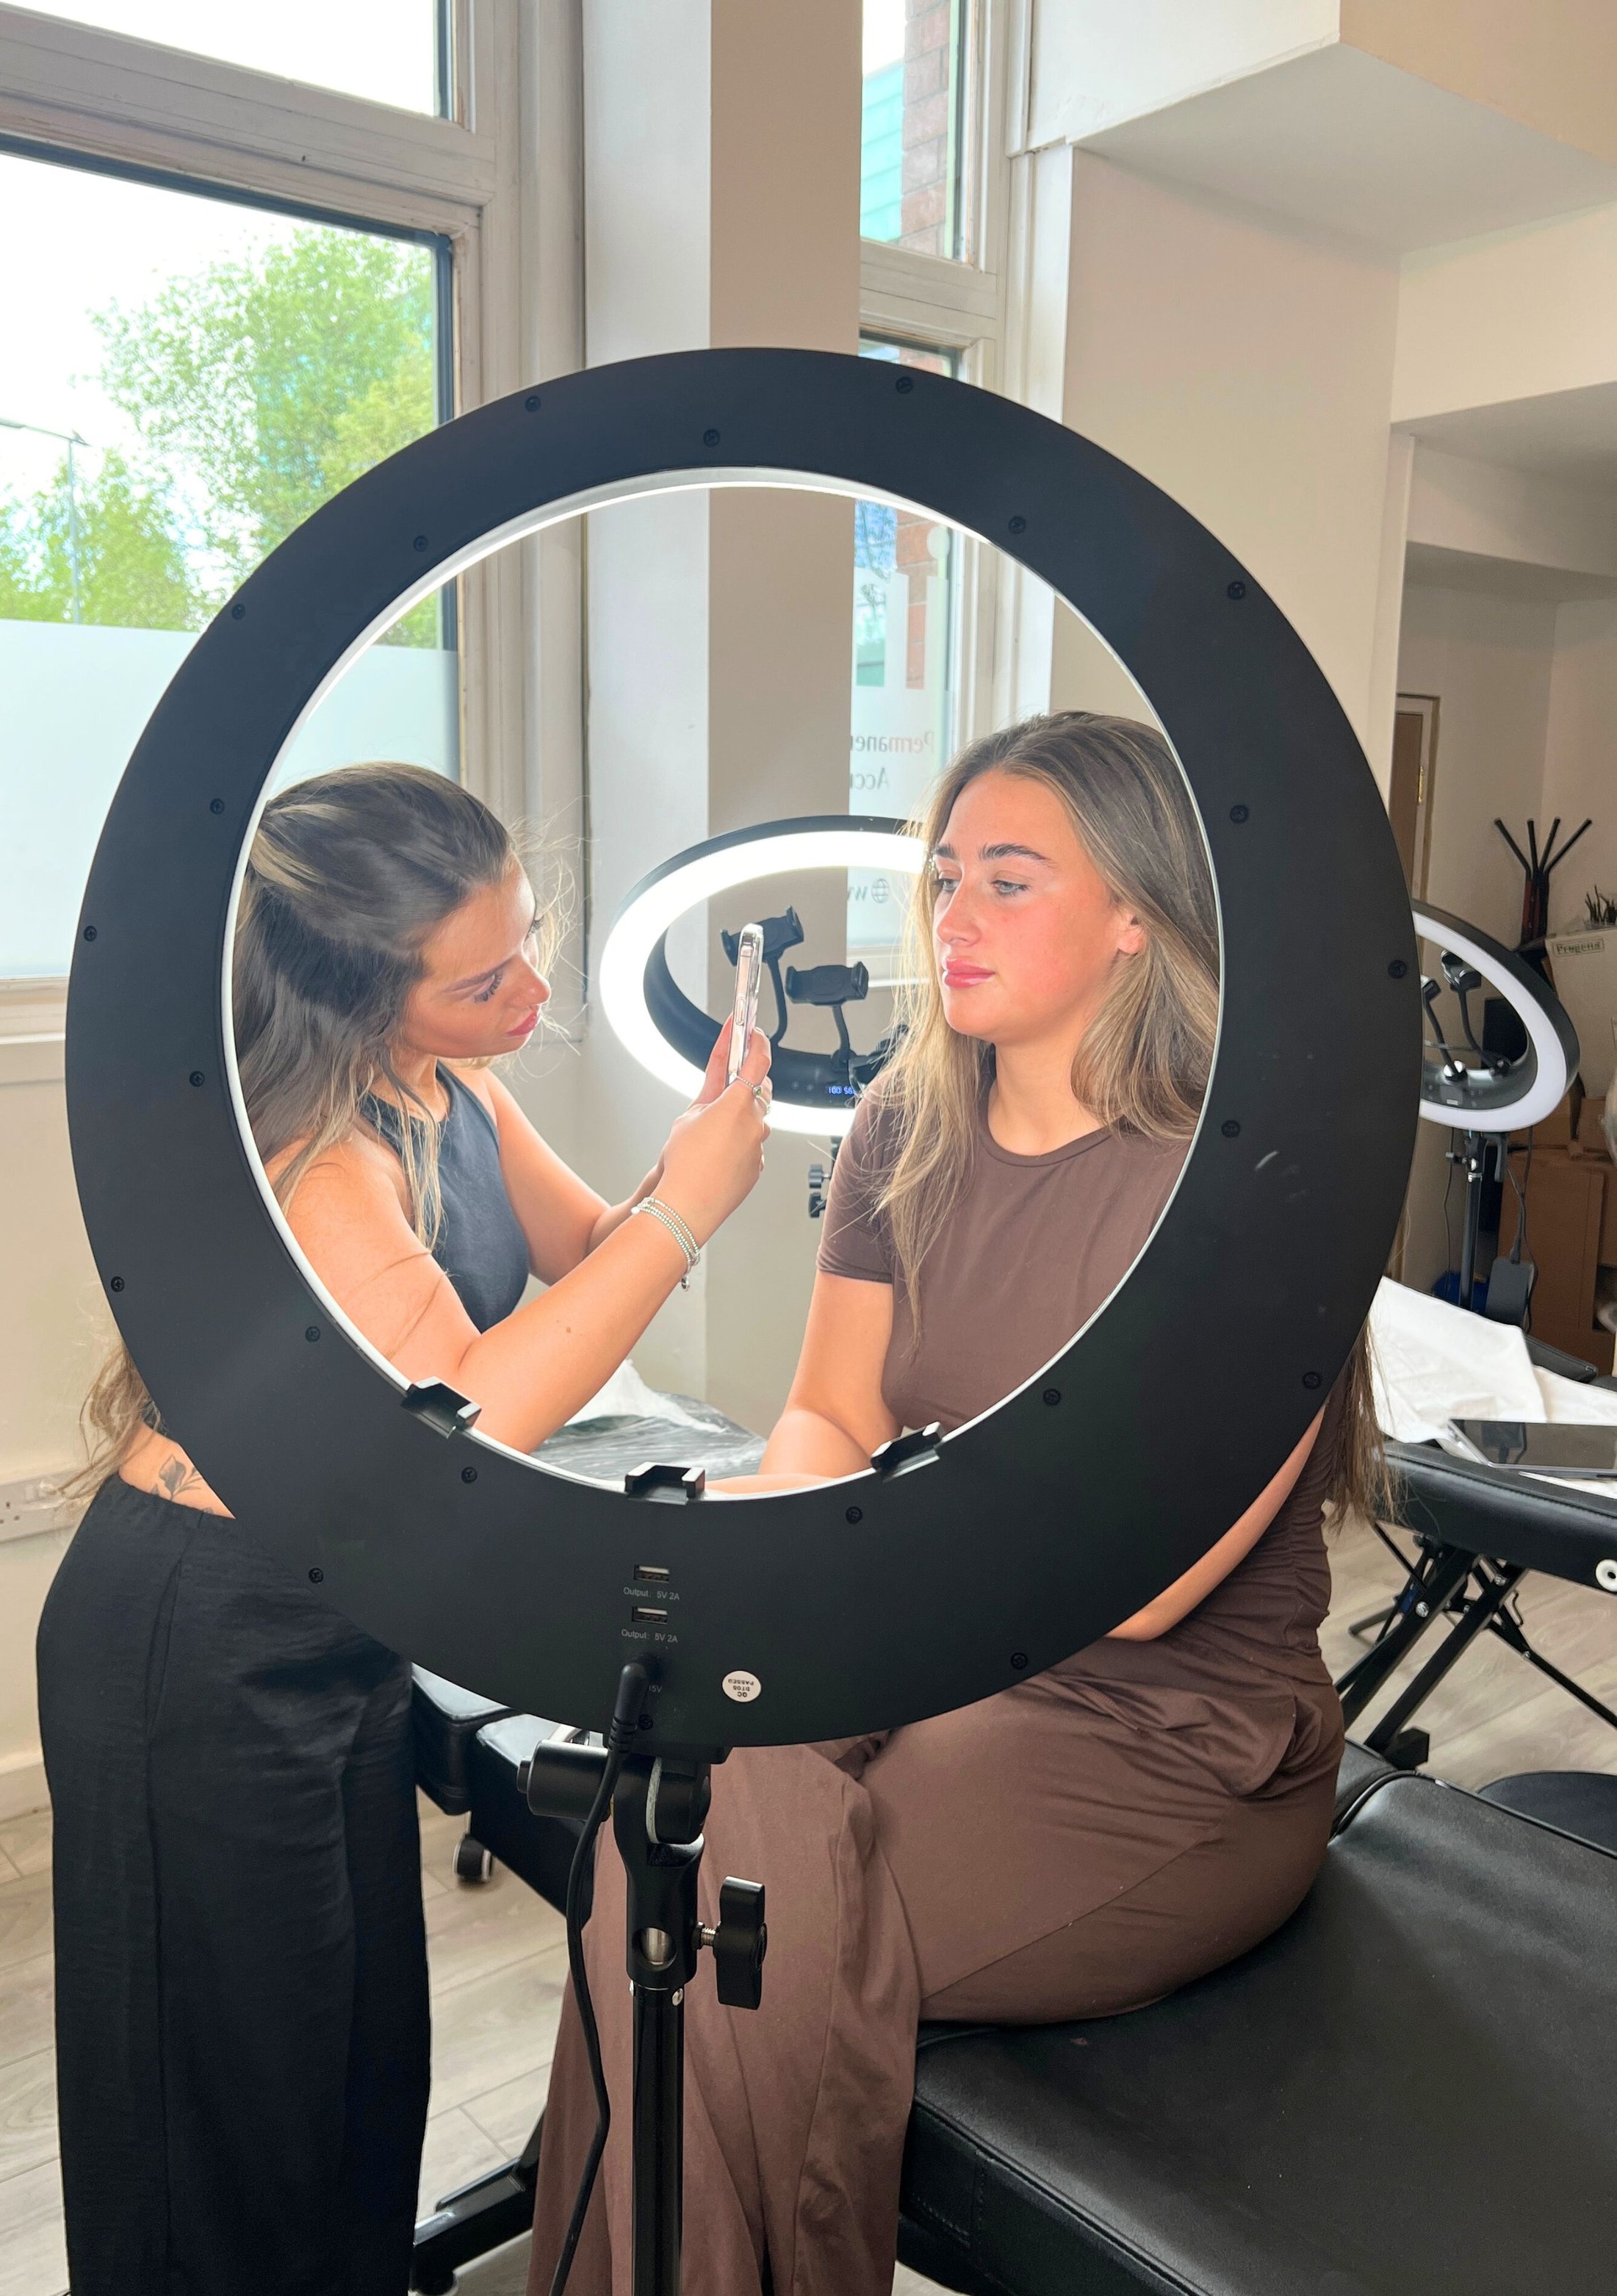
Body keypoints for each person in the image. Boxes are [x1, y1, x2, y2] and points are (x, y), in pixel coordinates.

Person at [528, 712, 1386, 2296]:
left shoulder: (1256, 1186)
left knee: (741, 1932)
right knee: (681, 1823)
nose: (949, 918)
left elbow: (1135, 1586)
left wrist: (845, 1542)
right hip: (920, 1644)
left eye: (1007, 879)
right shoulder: (901, 1126)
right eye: (940, 878)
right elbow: (827, 1410)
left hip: (1157, 1732)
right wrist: (777, 1555)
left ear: (1135, 910)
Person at [38, 762, 770, 2296]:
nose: (533, 987)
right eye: (482, 976)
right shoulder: (323, 1163)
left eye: (531, 938)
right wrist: (686, 1213)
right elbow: (482, 1414)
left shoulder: (448, 1091)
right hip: (204, 1634)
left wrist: (690, 1160)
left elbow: (584, 1264)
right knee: (228, 2104)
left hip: (344, 1622)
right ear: (356, 989)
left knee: (352, 2062)